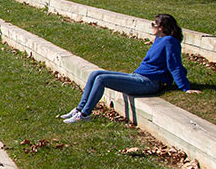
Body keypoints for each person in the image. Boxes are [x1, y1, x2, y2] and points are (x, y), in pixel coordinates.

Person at [62, 13, 201, 124]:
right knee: (95, 73)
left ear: (162, 27)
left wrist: (185, 87)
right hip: (138, 76)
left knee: (102, 79)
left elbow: (174, 64)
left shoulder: (170, 42)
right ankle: (79, 109)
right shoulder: (159, 39)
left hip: (149, 83)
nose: (152, 26)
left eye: (154, 24)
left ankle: (85, 114)